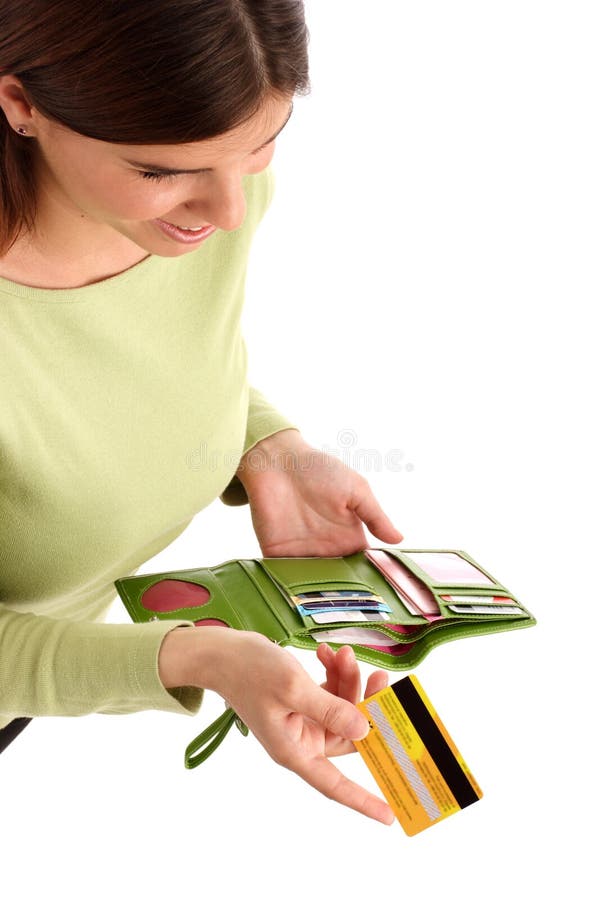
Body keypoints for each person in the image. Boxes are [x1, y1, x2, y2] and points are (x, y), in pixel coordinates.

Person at [0, 0, 403, 825]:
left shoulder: (199, 200)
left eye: (261, 147)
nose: (227, 213)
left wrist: (266, 448)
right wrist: (195, 657)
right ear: (21, 105)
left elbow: (121, 359)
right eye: (161, 171)